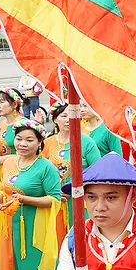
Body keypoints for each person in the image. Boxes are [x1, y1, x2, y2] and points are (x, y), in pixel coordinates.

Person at [0, 120, 61, 270]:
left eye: (29, 140)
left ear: (40, 142)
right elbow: (4, 188)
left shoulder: (46, 168)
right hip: (9, 227)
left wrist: (26, 199)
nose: (22, 144)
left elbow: (55, 199)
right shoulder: (9, 162)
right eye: (19, 139)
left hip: (33, 229)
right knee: (11, 268)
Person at [42, 102, 102, 243]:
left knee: (82, 239)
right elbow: (40, 170)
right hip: (54, 199)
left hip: (80, 198)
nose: (68, 119)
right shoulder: (47, 143)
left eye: (72, 115)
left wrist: (73, 187)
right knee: (56, 240)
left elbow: (97, 170)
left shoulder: (87, 142)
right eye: (63, 116)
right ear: (55, 119)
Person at [0, 88, 29, 161]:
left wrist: (4, 159)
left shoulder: (24, 125)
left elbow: (28, 154)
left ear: (14, 104)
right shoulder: (3, 124)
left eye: (1, 102)